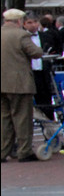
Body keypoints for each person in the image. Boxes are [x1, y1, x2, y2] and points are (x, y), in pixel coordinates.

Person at [1, 9, 44, 162]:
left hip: (2, 83)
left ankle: (3, 151)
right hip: (19, 83)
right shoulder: (21, 35)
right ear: (19, 21)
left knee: (4, 119)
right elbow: (36, 52)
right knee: (22, 118)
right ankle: (24, 151)